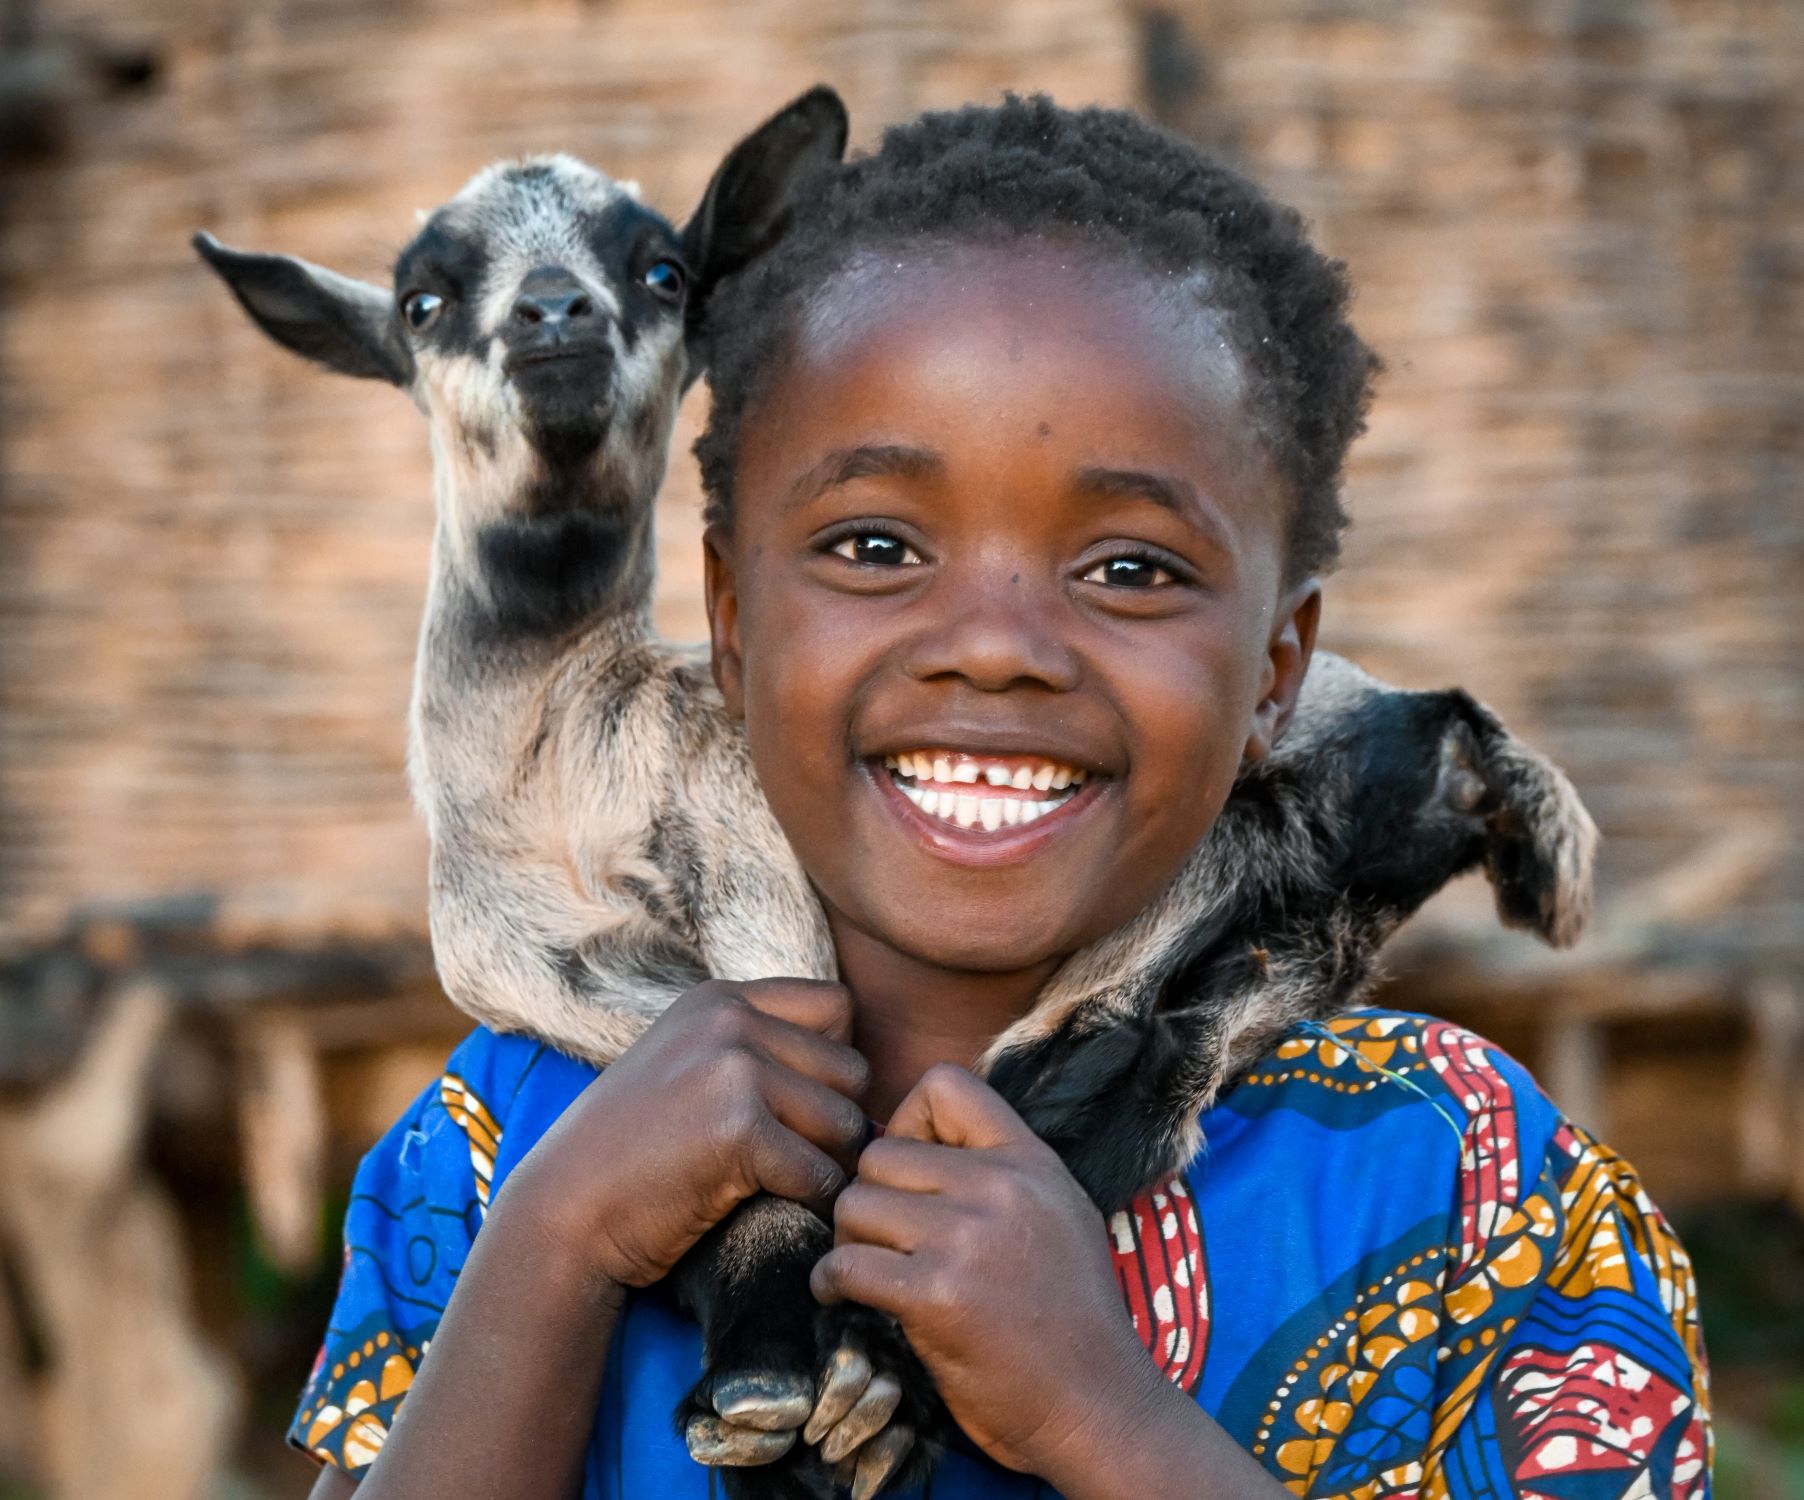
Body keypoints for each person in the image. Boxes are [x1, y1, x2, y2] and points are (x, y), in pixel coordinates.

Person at [292, 98, 1711, 1500]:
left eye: (1129, 569)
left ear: (1277, 672)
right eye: (874, 546)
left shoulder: (1456, 1171)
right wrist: (558, 1244)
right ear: (729, 623)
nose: (994, 646)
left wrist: (1097, 1410)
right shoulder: (507, 1143)